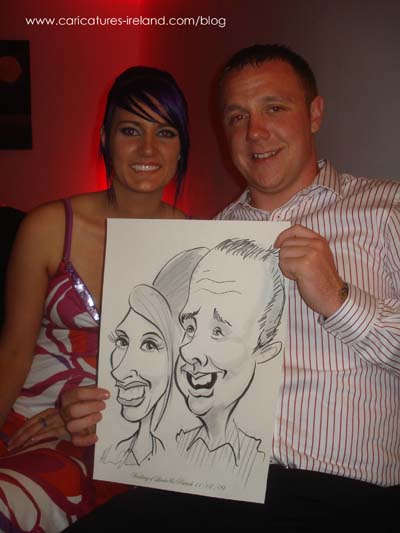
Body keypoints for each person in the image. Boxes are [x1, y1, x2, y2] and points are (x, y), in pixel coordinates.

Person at [62, 44, 399, 531]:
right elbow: (168, 372)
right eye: (237, 116)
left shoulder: (387, 211)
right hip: (206, 483)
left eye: (274, 108)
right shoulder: (206, 237)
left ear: (315, 114)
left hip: (337, 494)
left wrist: (337, 299)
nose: (254, 132)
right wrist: (105, 408)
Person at [0, 64, 192, 532]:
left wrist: (112, 418)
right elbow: (13, 353)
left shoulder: (196, 247)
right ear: (106, 138)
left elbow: (187, 380)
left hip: (134, 433)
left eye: (165, 133)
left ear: (181, 147)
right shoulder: (48, 227)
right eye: (131, 130)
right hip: (32, 418)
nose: (148, 149)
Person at [175, 238, 284, 485]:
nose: (190, 350)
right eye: (190, 327)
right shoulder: (165, 447)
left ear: (265, 350)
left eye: (218, 331)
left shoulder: (254, 456)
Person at [101, 248, 206, 468]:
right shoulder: (111, 454)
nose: (118, 371)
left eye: (150, 345)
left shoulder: (212, 460)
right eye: (122, 341)